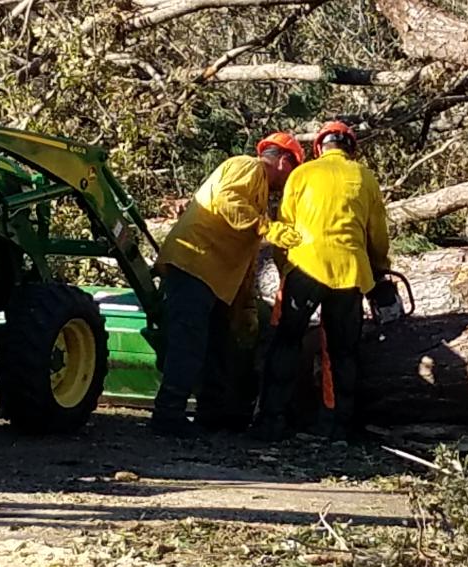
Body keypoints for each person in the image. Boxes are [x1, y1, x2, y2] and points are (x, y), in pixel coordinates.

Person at [150, 133, 306, 437]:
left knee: (217, 346)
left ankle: (211, 416)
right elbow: (226, 200)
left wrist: (244, 303)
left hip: (214, 276)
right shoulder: (247, 166)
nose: (288, 182)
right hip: (195, 262)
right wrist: (268, 227)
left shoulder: (259, 192)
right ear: (284, 161)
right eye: (292, 172)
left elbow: (244, 255)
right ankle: (167, 415)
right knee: (189, 343)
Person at [256, 121, 391, 442]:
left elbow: (284, 227)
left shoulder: (302, 174)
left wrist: (284, 269)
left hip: (305, 267)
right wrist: (381, 271)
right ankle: (336, 426)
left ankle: (271, 421)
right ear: (351, 148)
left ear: (318, 148)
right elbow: (378, 235)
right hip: (349, 273)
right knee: (342, 352)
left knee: (286, 341)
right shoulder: (365, 177)